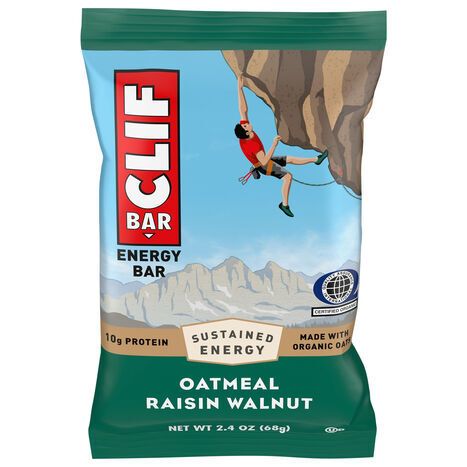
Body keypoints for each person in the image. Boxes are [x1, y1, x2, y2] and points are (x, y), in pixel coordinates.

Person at [234, 74, 328, 217]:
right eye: (245, 126)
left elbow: (243, 110)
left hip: (261, 160)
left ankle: (316, 160)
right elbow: (264, 161)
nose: (246, 123)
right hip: (263, 165)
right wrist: (274, 144)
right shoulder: (252, 146)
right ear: (246, 132)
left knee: (289, 159)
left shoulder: (245, 133)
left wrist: (239, 89)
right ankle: (284, 205)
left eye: (245, 124)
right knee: (288, 177)